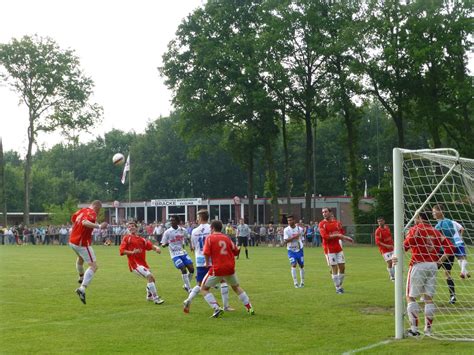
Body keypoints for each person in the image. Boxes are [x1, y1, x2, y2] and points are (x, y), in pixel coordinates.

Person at [392, 211, 455, 337]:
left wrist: (395, 255)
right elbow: (450, 247)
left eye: (416, 218)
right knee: (428, 298)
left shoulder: (416, 229)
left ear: (420, 218)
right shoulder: (435, 231)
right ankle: (428, 329)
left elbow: (405, 245)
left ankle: (414, 330)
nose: (414, 220)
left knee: (410, 296)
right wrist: (439, 262)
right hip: (432, 266)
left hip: (418, 264)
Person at [201, 220, 255, 318]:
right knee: (236, 287)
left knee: (204, 289)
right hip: (230, 267)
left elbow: (206, 252)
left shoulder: (210, 238)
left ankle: (217, 308)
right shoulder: (227, 238)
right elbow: (236, 252)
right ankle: (249, 307)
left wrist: (207, 262)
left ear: (212, 228)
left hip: (217, 268)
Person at [183, 209, 233, 313]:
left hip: (200, 260)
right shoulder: (212, 229)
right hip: (212, 260)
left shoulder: (194, 231)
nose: (196, 219)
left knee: (200, 284)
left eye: (197, 217)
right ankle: (226, 306)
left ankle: (188, 299)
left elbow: (192, 247)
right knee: (223, 280)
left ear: (201, 218)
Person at [69, 200, 108, 304]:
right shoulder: (92, 212)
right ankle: (82, 289)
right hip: (82, 243)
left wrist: (78, 229)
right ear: (96, 207)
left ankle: (81, 276)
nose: (98, 213)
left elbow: (73, 219)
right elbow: (85, 222)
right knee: (94, 266)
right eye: (99, 210)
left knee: (81, 259)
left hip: (72, 241)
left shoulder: (82, 210)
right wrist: (99, 226)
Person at [432, 204, 470, 305]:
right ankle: (452, 296)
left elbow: (447, 235)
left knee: (432, 271)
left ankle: (427, 295)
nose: (433, 214)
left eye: (434, 212)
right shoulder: (446, 222)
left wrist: (439, 234)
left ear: (441, 212)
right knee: (446, 273)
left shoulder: (444, 223)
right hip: (449, 251)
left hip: (443, 251)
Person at [119, 221, 164, 305]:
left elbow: (149, 246)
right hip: (134, 264)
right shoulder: (126, 238)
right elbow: (122, 251)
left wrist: (156, 248)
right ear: (128, 229)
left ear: (137, 228)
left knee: (152, 279)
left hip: (143, 264)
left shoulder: (141, 239)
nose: (131, 227)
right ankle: (156, 298)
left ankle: (149, 296)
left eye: (133, 226)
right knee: (149, 277)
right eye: (129, 226)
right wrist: (132, 252)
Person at [319, 207, 353, 294]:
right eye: (323, 212)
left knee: (342, 267)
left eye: (325, 212)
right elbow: (325, 237)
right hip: (329, 249)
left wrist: (345, 238)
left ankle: (339, 284)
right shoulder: (322, 224)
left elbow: (341, 234)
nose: (324, 213)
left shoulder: (337, 223)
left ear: (330, 213)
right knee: (334, 267)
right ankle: (338, 288)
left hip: (338, 247)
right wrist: (339, 235)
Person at [161, 215, 194, 293]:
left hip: (183, 252)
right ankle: (189, 288)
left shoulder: (183, 230)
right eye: (170, 220)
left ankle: (186, 285)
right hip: (174, 254)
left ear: (177, 221)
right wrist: (165, 245)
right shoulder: (167, 232)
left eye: (173, 220)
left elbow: (188, 237)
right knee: (183, 268)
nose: (171, 222)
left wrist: (191, 245)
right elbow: (162, 243)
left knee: (192, 269)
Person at [284, 215, 305, 288]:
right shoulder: (286, 230)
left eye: (290, 220)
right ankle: (295, 283)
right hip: (291, 250)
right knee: (293, 265)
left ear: (294, 220)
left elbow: (303, 233)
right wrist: (294, 237)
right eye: (288, 220)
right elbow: (285, 241)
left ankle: (302, 282)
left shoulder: (299, 229)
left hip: (299, 250)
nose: (289, 222)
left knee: (301, 266)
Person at [374, 217, 395, 281]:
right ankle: (392, 276)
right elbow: (378, 242)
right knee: (389, 262)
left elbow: (390, 237)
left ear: (384, 221)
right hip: (384, 250)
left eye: (381, 221)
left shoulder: (387, 227)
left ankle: (395, 274)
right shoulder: (378, 231)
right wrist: (386, 245)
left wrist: (393, 244)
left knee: (395, 261)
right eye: (378, 222)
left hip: (392, 247)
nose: (380, 223)